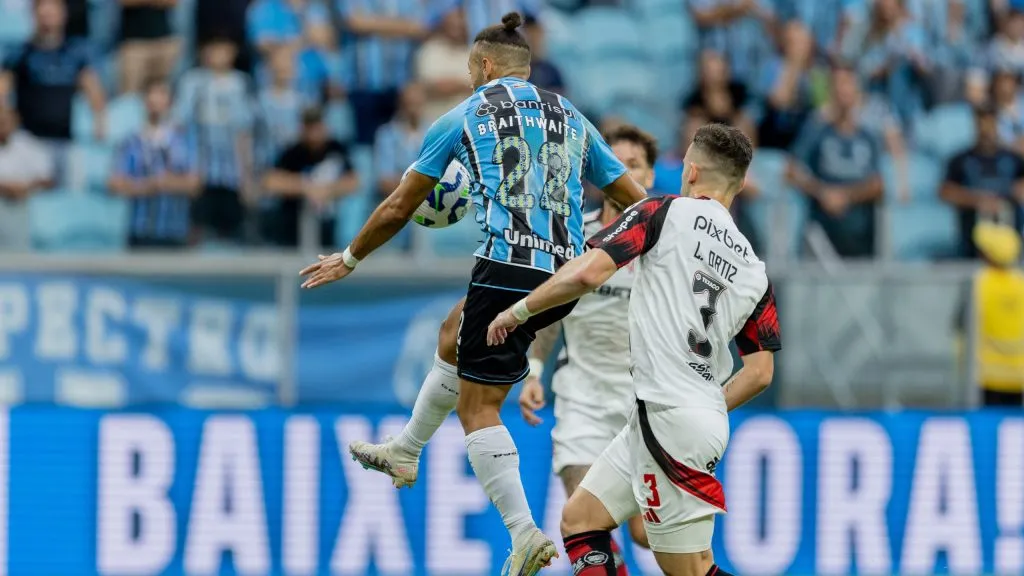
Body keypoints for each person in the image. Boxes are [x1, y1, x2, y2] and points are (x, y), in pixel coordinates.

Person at [299, 13, 646, 576]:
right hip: (566, 273)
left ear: (484, 66)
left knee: (478, 408)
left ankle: (524, 533)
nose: (467, 78)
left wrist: (350, 257)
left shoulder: (466, 115)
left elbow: (397, 206)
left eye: (468, 69)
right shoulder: (572, 117)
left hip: (505, 266)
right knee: (450, 336)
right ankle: (407, 450)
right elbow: (634, 199)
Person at [486, 123, 781, 576]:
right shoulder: (753, 268)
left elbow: (586, 273)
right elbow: (760, 371)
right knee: (580, 520)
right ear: (740, 184)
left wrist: (519, 312)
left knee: (689, 569)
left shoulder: (661, 212)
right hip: (661, 415)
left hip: (669, 416)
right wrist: (706, 405)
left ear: (692, 171)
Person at [518, 125, 657, 575]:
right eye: (613, 164)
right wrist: (535, 370)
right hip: (583, 400)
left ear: (649, 176)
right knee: (585, 521)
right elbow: (551, 308)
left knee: (643, 533)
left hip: (647, 406)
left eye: (632, 165)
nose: (622, 172)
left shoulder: (666, 243)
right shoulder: (575, 237)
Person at [108, 79, 201, 248]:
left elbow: (195, 184)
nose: (156, 100)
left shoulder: (184, 139)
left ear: (171, 101)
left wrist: (167, 183)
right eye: (151, 94)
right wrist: (148, 186)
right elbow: (116, 184)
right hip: (139, 231)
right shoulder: (130, 141)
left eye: (162, 94)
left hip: (175, 232)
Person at [262, 107, 359, 247]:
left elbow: (354, 181)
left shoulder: (336, 149)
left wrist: (327, 190)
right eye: (310, 128)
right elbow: (270, 181)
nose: (314, 134)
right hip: (293, 223)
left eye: (317, 127)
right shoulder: (293, 152)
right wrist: (305, 187)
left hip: (328, 221)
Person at [941, 105, 1024, 259]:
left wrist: (1011, 194)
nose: (986, 132)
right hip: (971, 247)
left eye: (990, 125)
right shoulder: (960, 160)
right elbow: (945, 191)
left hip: (1009, 244)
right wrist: (978, 201)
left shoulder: (1013, 160)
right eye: (982, 125)